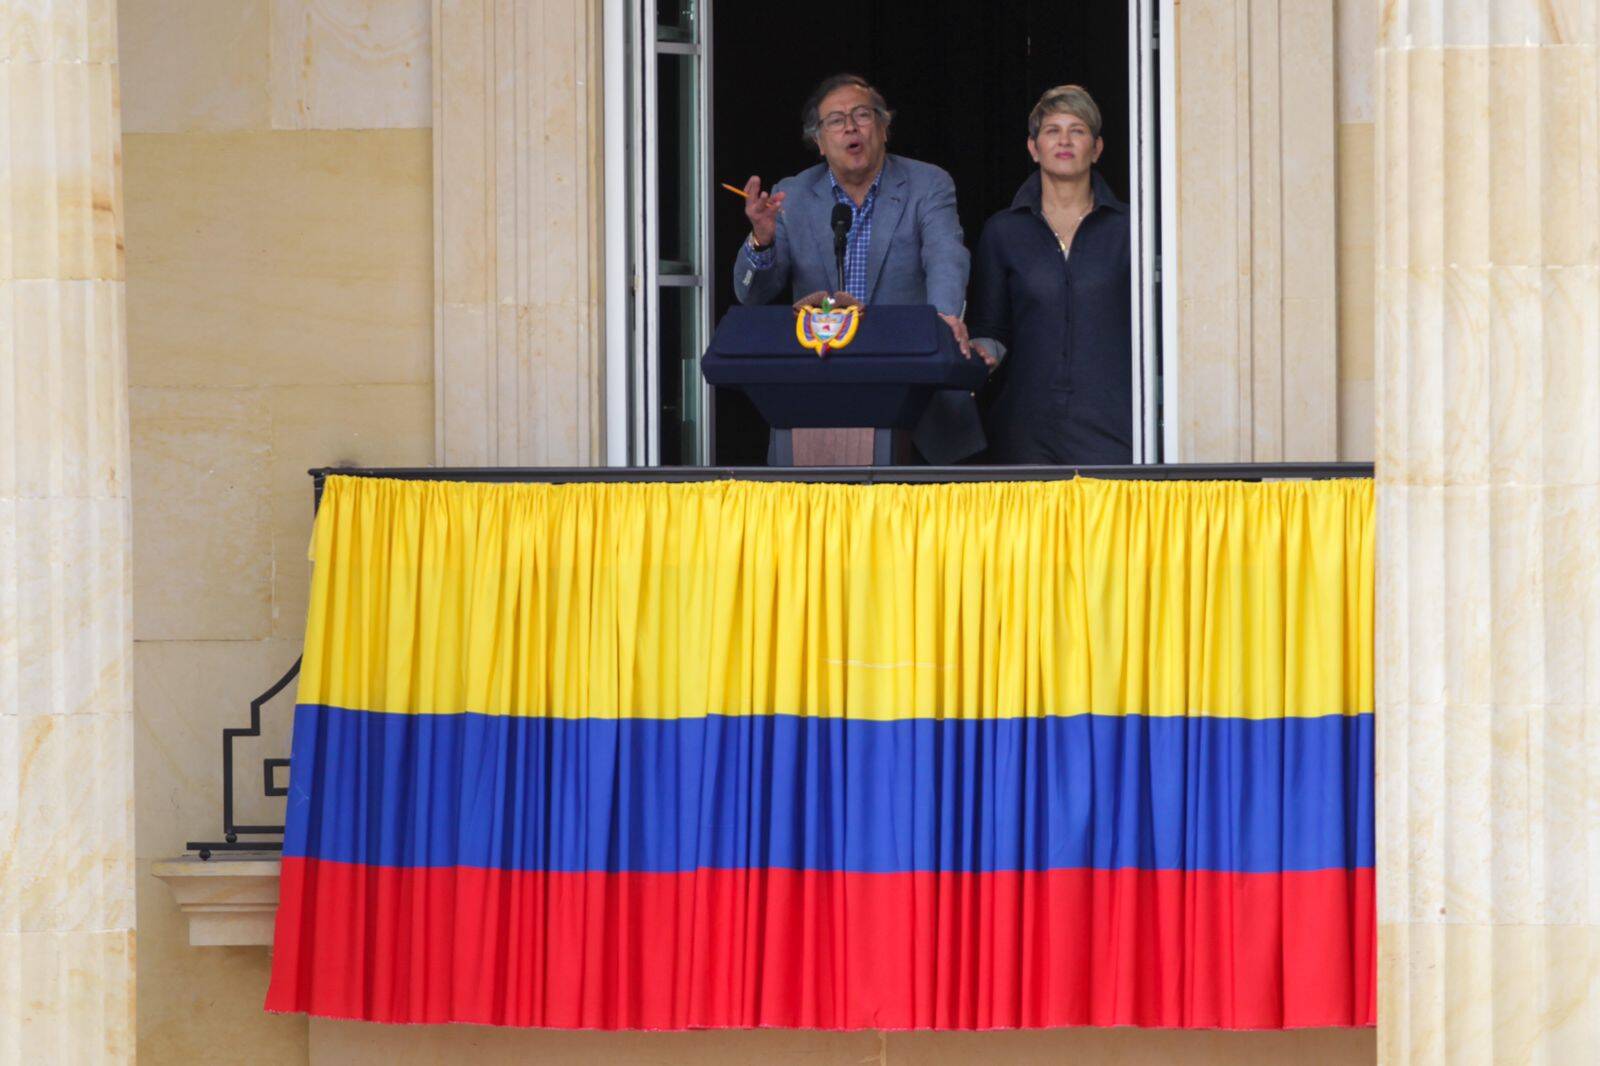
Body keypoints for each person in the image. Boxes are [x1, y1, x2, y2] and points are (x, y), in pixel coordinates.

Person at [734, 73, 985, 464]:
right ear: (818, 141)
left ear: (884, 128)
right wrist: (761, 240)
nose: (850, 127)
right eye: (835, 120)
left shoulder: (928, 184)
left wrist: (943, 320)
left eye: (862, 115)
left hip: (918, 405)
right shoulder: (794, 195)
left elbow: (946, 256)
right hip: (819, 409)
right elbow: (752, 294)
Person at [967, 85, 1132, 464]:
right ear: (1033, 148)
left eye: (1077, 130)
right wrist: (981, 350)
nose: (1064, 140)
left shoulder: (1133, 229)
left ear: (1097, 148)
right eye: (1052, 130)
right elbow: (992, 329)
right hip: (1026, 429)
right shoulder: (1003, 232)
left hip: (1113, 425)